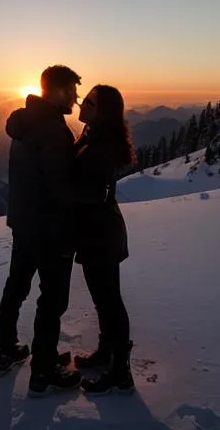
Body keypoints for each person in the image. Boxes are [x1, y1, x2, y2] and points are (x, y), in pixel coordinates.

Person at [0, 64, 83, 397]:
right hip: (50, 229)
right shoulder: (51, 130)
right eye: (72, 92)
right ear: (58, 91)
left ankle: (7, 348)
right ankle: (44, 370)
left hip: (24, 223)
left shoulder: (25, 122)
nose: (76, 99)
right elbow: (59, 185)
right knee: (52, 299)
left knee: (16, 286)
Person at [71, 85, 137, 395]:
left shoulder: (102, 143)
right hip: (97, 230)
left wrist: (64, 196)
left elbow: (95, 192)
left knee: (110, 300)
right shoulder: (91, 134)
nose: (83, 103)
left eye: (90, 102)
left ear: (103, 111)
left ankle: (120, 371)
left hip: (101, 232)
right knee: (103, 298)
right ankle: (107, 353)